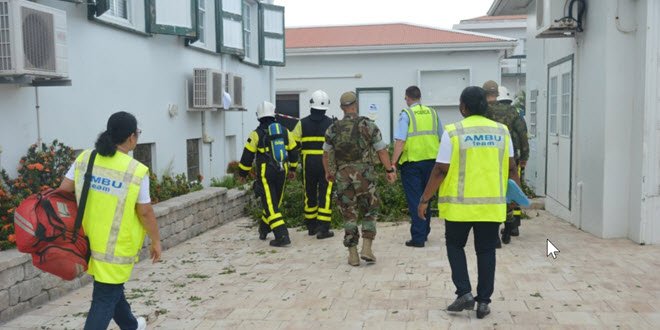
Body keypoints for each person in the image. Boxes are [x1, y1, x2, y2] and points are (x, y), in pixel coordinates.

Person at [418, 86, 520, 319]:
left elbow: (440, 171)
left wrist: (424, 199)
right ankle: (483, 302)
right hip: (491, 206)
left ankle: (464, 293)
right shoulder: (503, 132)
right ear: (485, 106)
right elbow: (512, 168)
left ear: (463, 107)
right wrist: (514, 199)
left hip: (458, 207)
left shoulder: (453, 132)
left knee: (455, 246)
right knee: (486, 251)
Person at [58, 111, 161, 330]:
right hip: (115, 248)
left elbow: (63, 191)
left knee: (111, 290)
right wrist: (156, 241)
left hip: (86, 242)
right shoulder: (136, 170)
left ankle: (132, 326)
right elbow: (145, 212)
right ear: (132, 137)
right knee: (105, 297)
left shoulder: (86, 158)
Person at [323, 91, 397, 266]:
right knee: (369, 211)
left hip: (342, 175)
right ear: (356, 104)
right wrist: (389, 169)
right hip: (365, 176)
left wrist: (328, 172)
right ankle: (367, 248)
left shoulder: (332, 128)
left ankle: (352, 255)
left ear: (342, 108)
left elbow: (325, 154)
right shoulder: (368, 125)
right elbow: (381, 150)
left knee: (349, 214)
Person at [238, 101, 299, 247]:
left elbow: (247, 156)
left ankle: (282, 235)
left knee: (271, 205)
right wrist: (292, 169)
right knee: (274, 202)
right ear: (274, 114)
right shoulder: (285, 131)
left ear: (258, 116)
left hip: (266, 172)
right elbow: (294, 150)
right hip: (282, 170)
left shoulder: (256, 134)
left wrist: (242, 173)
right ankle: (264, 229)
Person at [391, 86, 442, 248]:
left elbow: (400, 141)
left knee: (415, 199)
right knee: (427, 197)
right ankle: (425, 231)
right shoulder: (433, 113)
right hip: (432, 163)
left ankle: (418, 238)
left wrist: (393, 163)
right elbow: (441, 137)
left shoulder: (406, 114)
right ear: (420, 97)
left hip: (412, 163)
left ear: (407, 98)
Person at [483, 80, 529, 245]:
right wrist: (524, 157)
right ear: (497, 94)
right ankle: (510, 230)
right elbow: (523, 134)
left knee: (492, 195)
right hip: (510, 158)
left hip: (489, 159)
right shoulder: (513, 111)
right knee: (510, 192)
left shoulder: (483, 111)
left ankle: (494, 235)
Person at [292, 90, 335, 239]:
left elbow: (293, 143)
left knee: (309, 192)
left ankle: (311, 226)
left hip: (308, 162)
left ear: (311, 105)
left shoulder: (301, 123)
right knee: (326, 194)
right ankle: (324, 228)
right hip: (326, 162)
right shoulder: (331, 124)